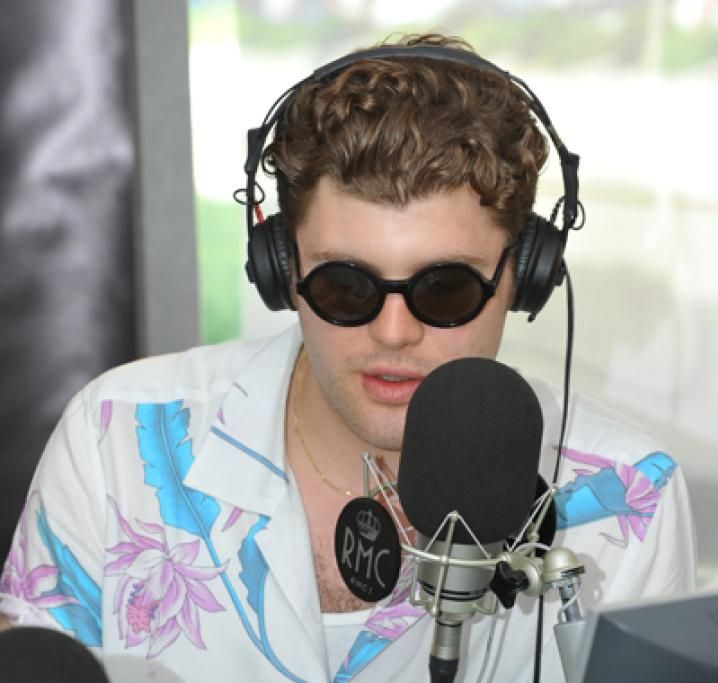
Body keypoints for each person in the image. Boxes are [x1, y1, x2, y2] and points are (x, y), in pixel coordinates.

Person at [0, 32, 695, 683]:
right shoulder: (114, 440)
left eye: (445, 288)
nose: (393, 332)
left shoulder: (628, 501)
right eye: (346, 285)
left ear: (526, 276)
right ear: (281, 270)